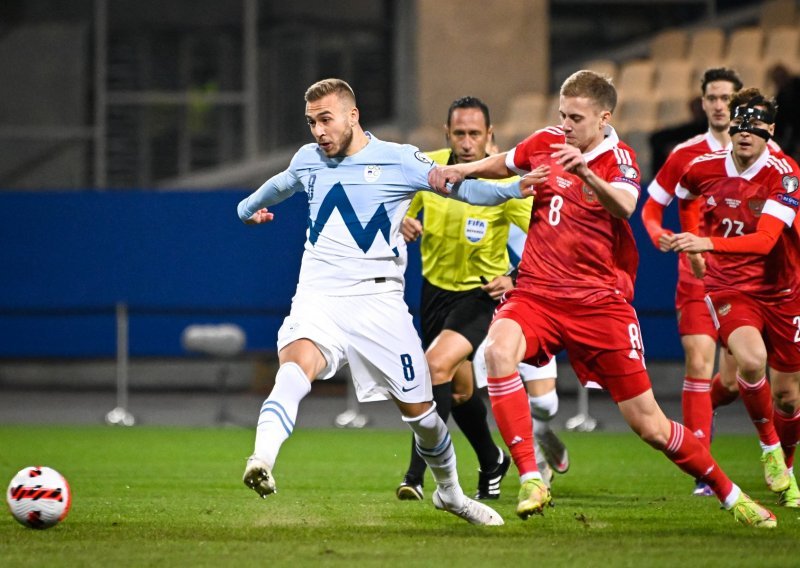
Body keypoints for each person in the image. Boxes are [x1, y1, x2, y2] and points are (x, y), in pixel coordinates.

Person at [428, 69, 776, 527]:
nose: (565, 125)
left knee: (650, 425)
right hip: (538, 294)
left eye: (575, 118)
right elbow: (507, 162)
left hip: (600, 304)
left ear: (603, 117)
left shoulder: (620, 159)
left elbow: (627, 206)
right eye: (561, 115)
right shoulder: (548, 141)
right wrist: (462, 169)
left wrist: (586, 172)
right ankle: (531, 476)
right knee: (497, 351)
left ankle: (732, 495)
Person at [236, 78, 547, 526]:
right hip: (318, 296)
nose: (318, 131)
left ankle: (452, 495)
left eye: (326, 119)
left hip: (379, 304)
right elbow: (280, 185)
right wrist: (246, 210)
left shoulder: (399, 160)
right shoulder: (309, 160)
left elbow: (462, 189)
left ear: (352, 115)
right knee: (294, 368)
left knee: (422, 416)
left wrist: (513, 189)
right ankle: (261, 459)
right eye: (311, 122)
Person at [396, 96, 569, 501]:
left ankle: (416, 475)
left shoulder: (501, 181)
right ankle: (492, 459)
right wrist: (400, 220)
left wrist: (513, 277)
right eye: (460, 133)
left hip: (479, 295)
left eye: (476, 133)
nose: (468, 141)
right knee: (458, 393)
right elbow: (398, 205)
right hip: (434, 293)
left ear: (490, 136)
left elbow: (545, 238)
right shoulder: (432, 169)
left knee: (433, 366)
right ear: (447, 133)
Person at [671, 88, 800, 508]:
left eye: (756, 125)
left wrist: (703, 242)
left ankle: (788, 468)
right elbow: (685, 196)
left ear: (771, 131)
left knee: (789, 396)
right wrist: (693, 246)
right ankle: (769, 449)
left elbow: (764, 242)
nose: (746, 132)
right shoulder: (703, 166)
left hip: (783, 291)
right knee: (749, 360)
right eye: (740, 123)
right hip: (730, 286)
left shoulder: (785, 173)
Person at [640, 67, 743, 497]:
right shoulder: (686, 154)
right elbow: (650, 207)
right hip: (695, 277)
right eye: (713, 98)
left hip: (741, 279)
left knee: (736, 381)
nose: (719, 105)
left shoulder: (763, 154)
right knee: (699, 364)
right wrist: (659, 235)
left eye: (727, 99)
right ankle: (704, 464)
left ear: (739, 104)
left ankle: (702, 412)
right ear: (702, 103)